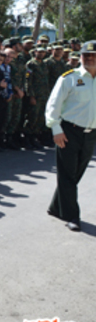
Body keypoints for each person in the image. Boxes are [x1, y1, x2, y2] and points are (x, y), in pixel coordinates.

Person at [45, 41, 96, 232]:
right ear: (80, 57)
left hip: (91, 133)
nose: (89, 58)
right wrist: (55, 128)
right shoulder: (69, 78)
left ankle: (55, 207)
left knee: (75, 174)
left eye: (93, 55)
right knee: (67, 175)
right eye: (86, 55)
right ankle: (72, 215)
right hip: (68, 132)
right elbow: (53, 105)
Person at [24, 47, 50, 149]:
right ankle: (27, 138)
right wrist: (31, 96)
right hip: (35, 95)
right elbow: (28, 81)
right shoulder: (31, 64)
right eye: (39, 52)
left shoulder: (44, 64)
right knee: (32, 117)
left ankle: (34, 138)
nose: (41, 54)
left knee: (40, 118)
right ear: (35, 52)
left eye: (43, 52)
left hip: (44, 95)